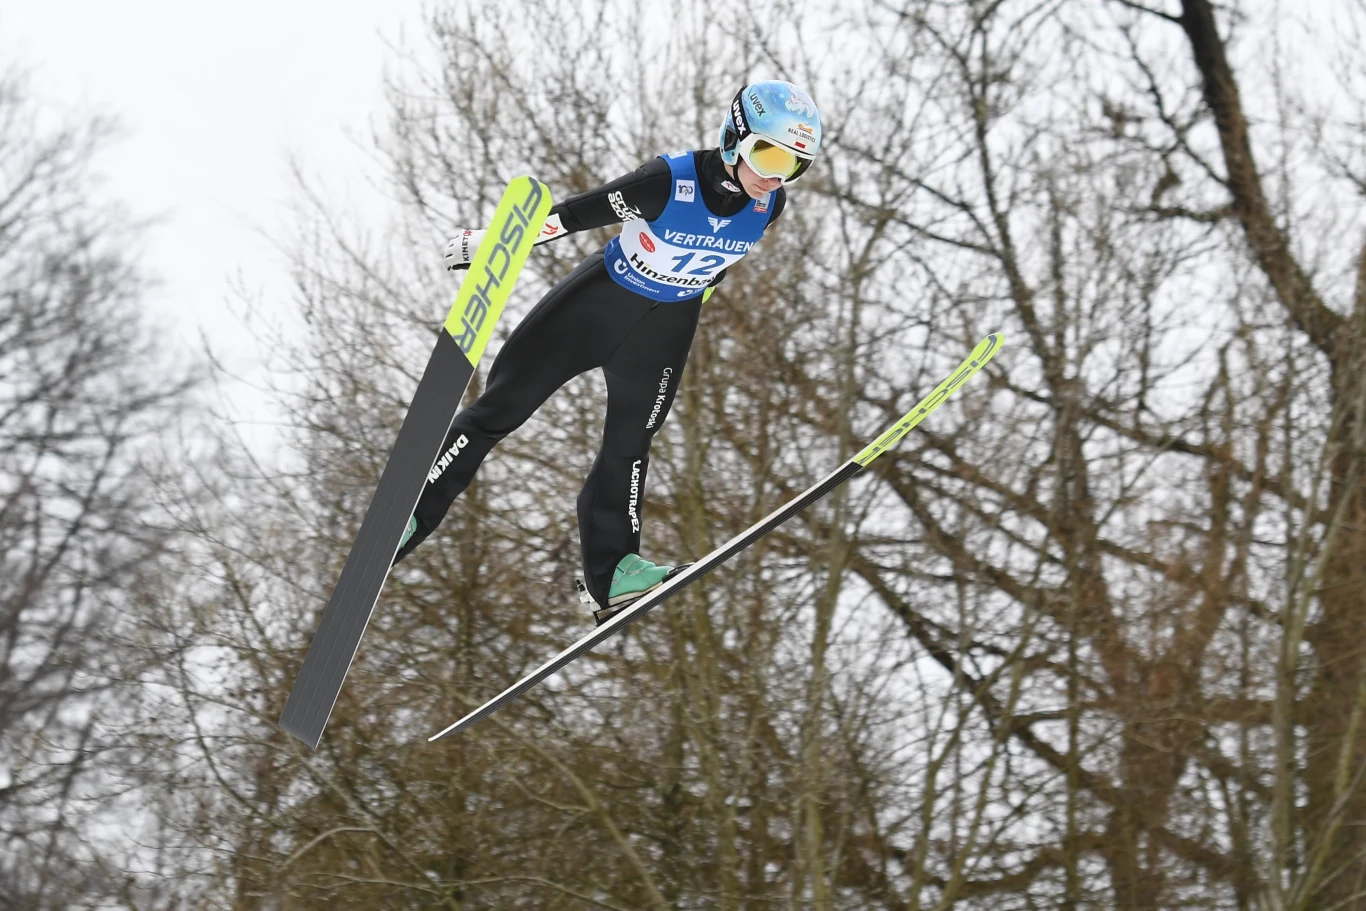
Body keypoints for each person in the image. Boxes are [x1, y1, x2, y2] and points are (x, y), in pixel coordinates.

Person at [393, 80, 823, 624]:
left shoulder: (770, 206)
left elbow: (716, 260)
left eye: (793, 165)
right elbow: (572, 215)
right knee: (500, 410)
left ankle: (612, 574)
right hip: (596, 307)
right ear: (736, 138)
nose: (773, 176)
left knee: (630, 446)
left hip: (663, 330)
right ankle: (411, 512)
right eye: (767, 154)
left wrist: (691, 294)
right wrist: (492, 242)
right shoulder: (669, 180)